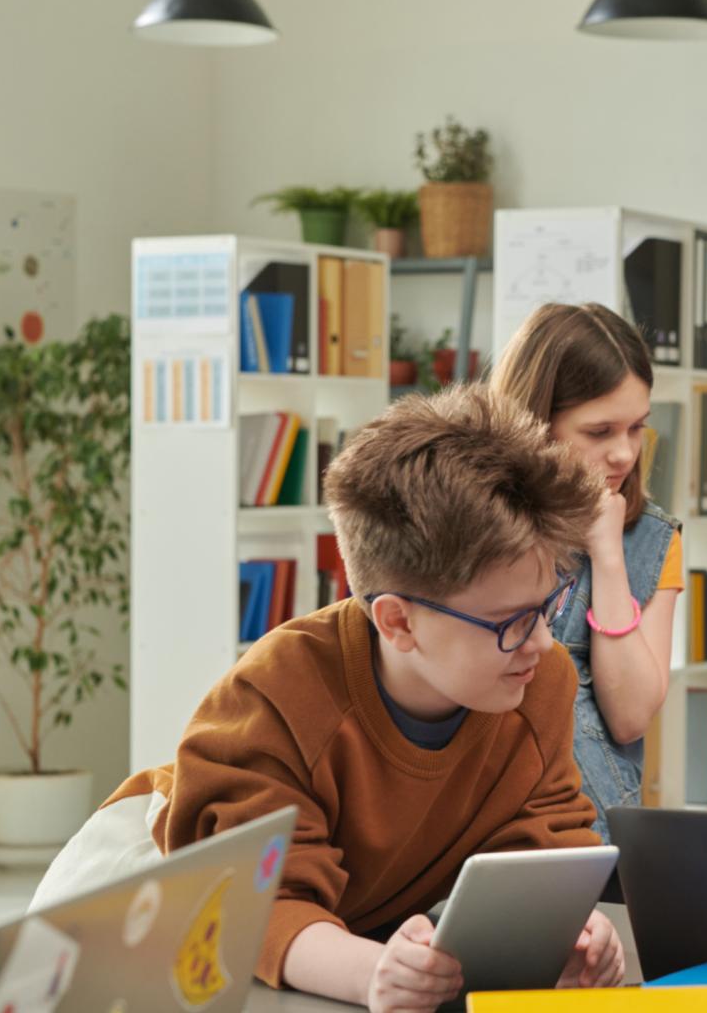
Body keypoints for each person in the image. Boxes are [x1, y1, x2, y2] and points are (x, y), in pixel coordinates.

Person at [31, 387, 624, 1011]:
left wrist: (571, 936)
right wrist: (376, 973)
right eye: (509, 621)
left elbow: (541, 849)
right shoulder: (276, 692)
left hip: (340, 932)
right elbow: (258, 904)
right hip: (150, 904)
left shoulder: (536, 680)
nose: (540, 641)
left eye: (548, 605)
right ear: (397, 622)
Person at [489, 302, 681, 841]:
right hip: (476, 831)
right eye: (599, 432)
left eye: (637, 427)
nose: (623, 453)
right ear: (534, 421)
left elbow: (630, 716)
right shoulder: (471, 529)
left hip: (592, 840)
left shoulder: (654, 540)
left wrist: (607, 553)